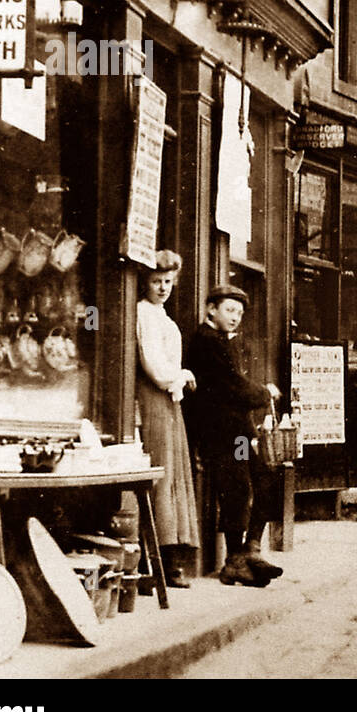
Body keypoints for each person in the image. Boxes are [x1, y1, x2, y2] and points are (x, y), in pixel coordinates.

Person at [183, 285, 284, 587]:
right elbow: (232, 387)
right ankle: (236, 560)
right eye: (229, 310)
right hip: (222, 432)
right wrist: (265, 392)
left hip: (237, 431)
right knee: (237, 489)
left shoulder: (223, 342)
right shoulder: (207, 341)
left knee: (264, 479)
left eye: (239, 313)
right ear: (210, 309)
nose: (235, 317)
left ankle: (249, 551)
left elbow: (236, 385)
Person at [134, 251, 200, 588]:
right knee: (161, 473)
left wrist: (177, 377)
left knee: (173, 475)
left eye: (168, 282)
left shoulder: (161, 314)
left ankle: (169, 561)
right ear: (145, 281)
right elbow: (155, 367)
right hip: (154, 397)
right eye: (157, 281)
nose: (162, 288)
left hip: (169, 401)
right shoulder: (143, 313)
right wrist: (180, 374)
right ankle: (153, 565)